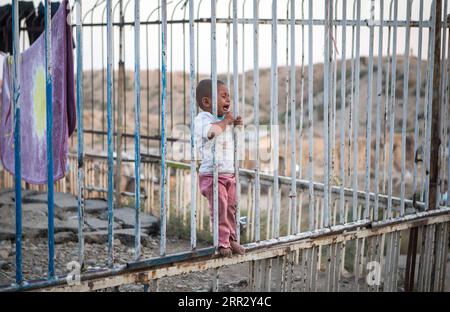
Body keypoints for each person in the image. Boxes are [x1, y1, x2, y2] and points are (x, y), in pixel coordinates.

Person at [194, 79, 245, 257]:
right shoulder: (202, 119)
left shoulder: (224, 120)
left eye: (228, 96)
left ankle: (231, 239)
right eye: (223, 96)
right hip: (211, 174)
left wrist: (236, 126)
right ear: (207, 102)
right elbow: (211, 133)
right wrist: (226, 122)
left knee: (231, 207)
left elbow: (233, 142)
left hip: (228, 172)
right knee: (220, 208)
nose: (228, 100)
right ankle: (221, 242)